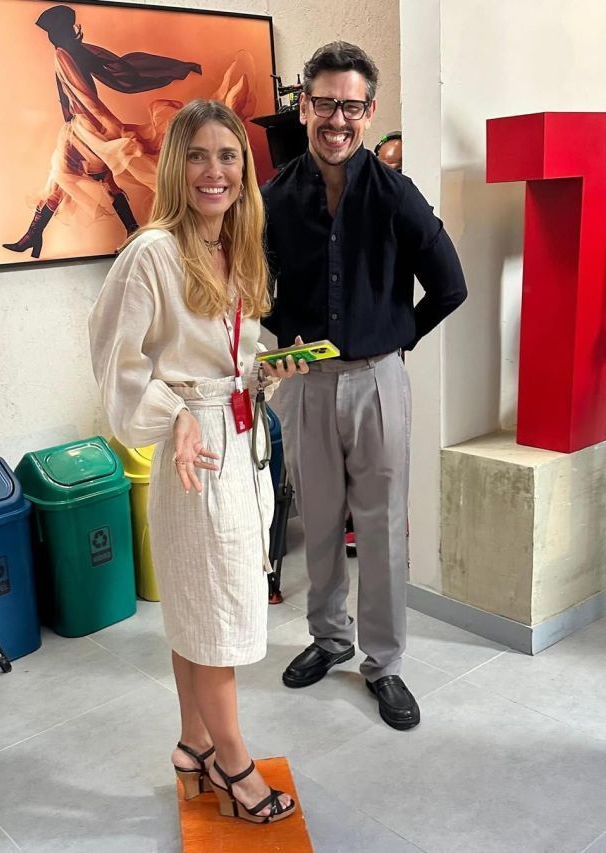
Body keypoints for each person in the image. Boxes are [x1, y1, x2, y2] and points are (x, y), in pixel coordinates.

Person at [89, 100, 306, 824]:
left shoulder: (233, 246)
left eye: (229, 155)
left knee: (195, 606)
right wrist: (174, 415)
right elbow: (116, 361)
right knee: (213, 613)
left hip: (237, 438)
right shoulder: (152, 252)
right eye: (198, 155)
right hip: (198, 452)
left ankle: (193, 745)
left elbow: (227, 352)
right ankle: (235, 764)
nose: (216, 171)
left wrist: (269, 366)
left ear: (245, 168)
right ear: (175, 167)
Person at [261, 42, 467, 731]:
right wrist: (282, 335)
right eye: (325, 103)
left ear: (369, 111)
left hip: (379, 382)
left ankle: (384, 662)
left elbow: (450, 285)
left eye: (352, 106)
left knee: (379, 529)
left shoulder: (395, 193)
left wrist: (396, 337)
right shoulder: (274, 198)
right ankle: (329, 640)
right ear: (305, 106)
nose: (337, 119)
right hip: (307, 384)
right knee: (318, 520)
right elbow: (255, 288)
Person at [3, 3, 201, 258]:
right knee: (83, 178)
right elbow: (121, 69)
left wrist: (95, 124)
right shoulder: (79, 51)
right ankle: (127, 230)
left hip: (83, 125)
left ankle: (34, 236)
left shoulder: (63, 54)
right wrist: (178, 67)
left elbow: (79, 92)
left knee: (66, 175)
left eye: (51, 31)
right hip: (81, 126)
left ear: (57, 32)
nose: (50, 36)